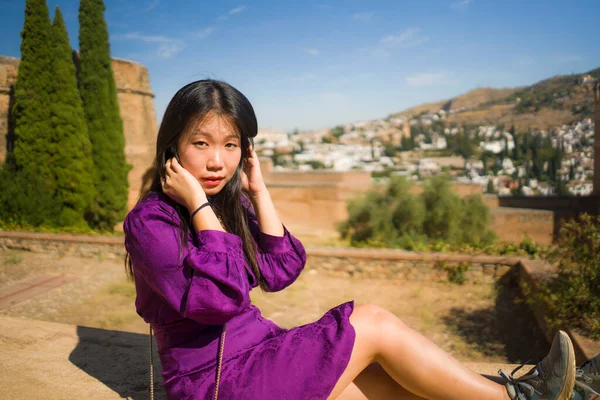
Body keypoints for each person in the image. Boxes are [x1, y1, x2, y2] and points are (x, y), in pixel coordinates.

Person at [123, 79, 579, 400]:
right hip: (213, 382)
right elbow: (217, 303)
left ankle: (531, 392)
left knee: (403, 385)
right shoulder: (151, 222)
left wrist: (259, 191)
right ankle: (526, 396)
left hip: (260, 351)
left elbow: (282, 270)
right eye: (201, 143)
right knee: (372, 322)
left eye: (231, 144)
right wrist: (201, 210)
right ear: (173, 147)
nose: (218, 161)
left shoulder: (228, 204)